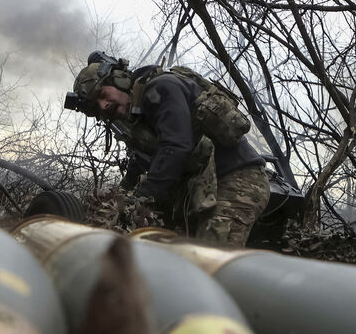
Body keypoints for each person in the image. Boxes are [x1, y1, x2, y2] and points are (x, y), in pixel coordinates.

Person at [67, 53, 270, 247]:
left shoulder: (161, 88)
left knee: (210, 263)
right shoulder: (140, 116)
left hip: (237, 181)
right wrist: (120, 197)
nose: (104, 105)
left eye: (102, 94)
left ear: (119, 80)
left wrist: (140, 198)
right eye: (97, 105)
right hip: (205, 190)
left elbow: (176, 146)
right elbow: (143, 161)